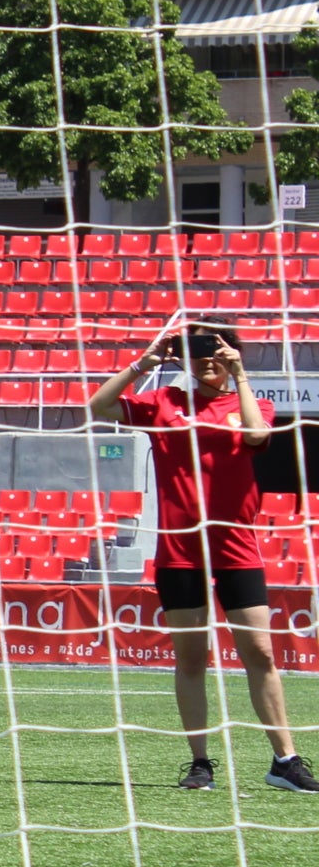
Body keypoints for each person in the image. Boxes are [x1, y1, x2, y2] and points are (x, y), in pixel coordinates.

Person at [88, 323, 316, 794]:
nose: (206, 359)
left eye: (215, 350)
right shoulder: (164, 401)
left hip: (237, 548)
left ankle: (285, 760)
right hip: (180, 550)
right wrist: (143, 363)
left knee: (260, 653)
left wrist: (240, 374)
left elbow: (256, 436)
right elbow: (99, 406)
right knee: (191, 657)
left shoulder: (252, 404)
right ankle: (199, 763)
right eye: (196, 352)